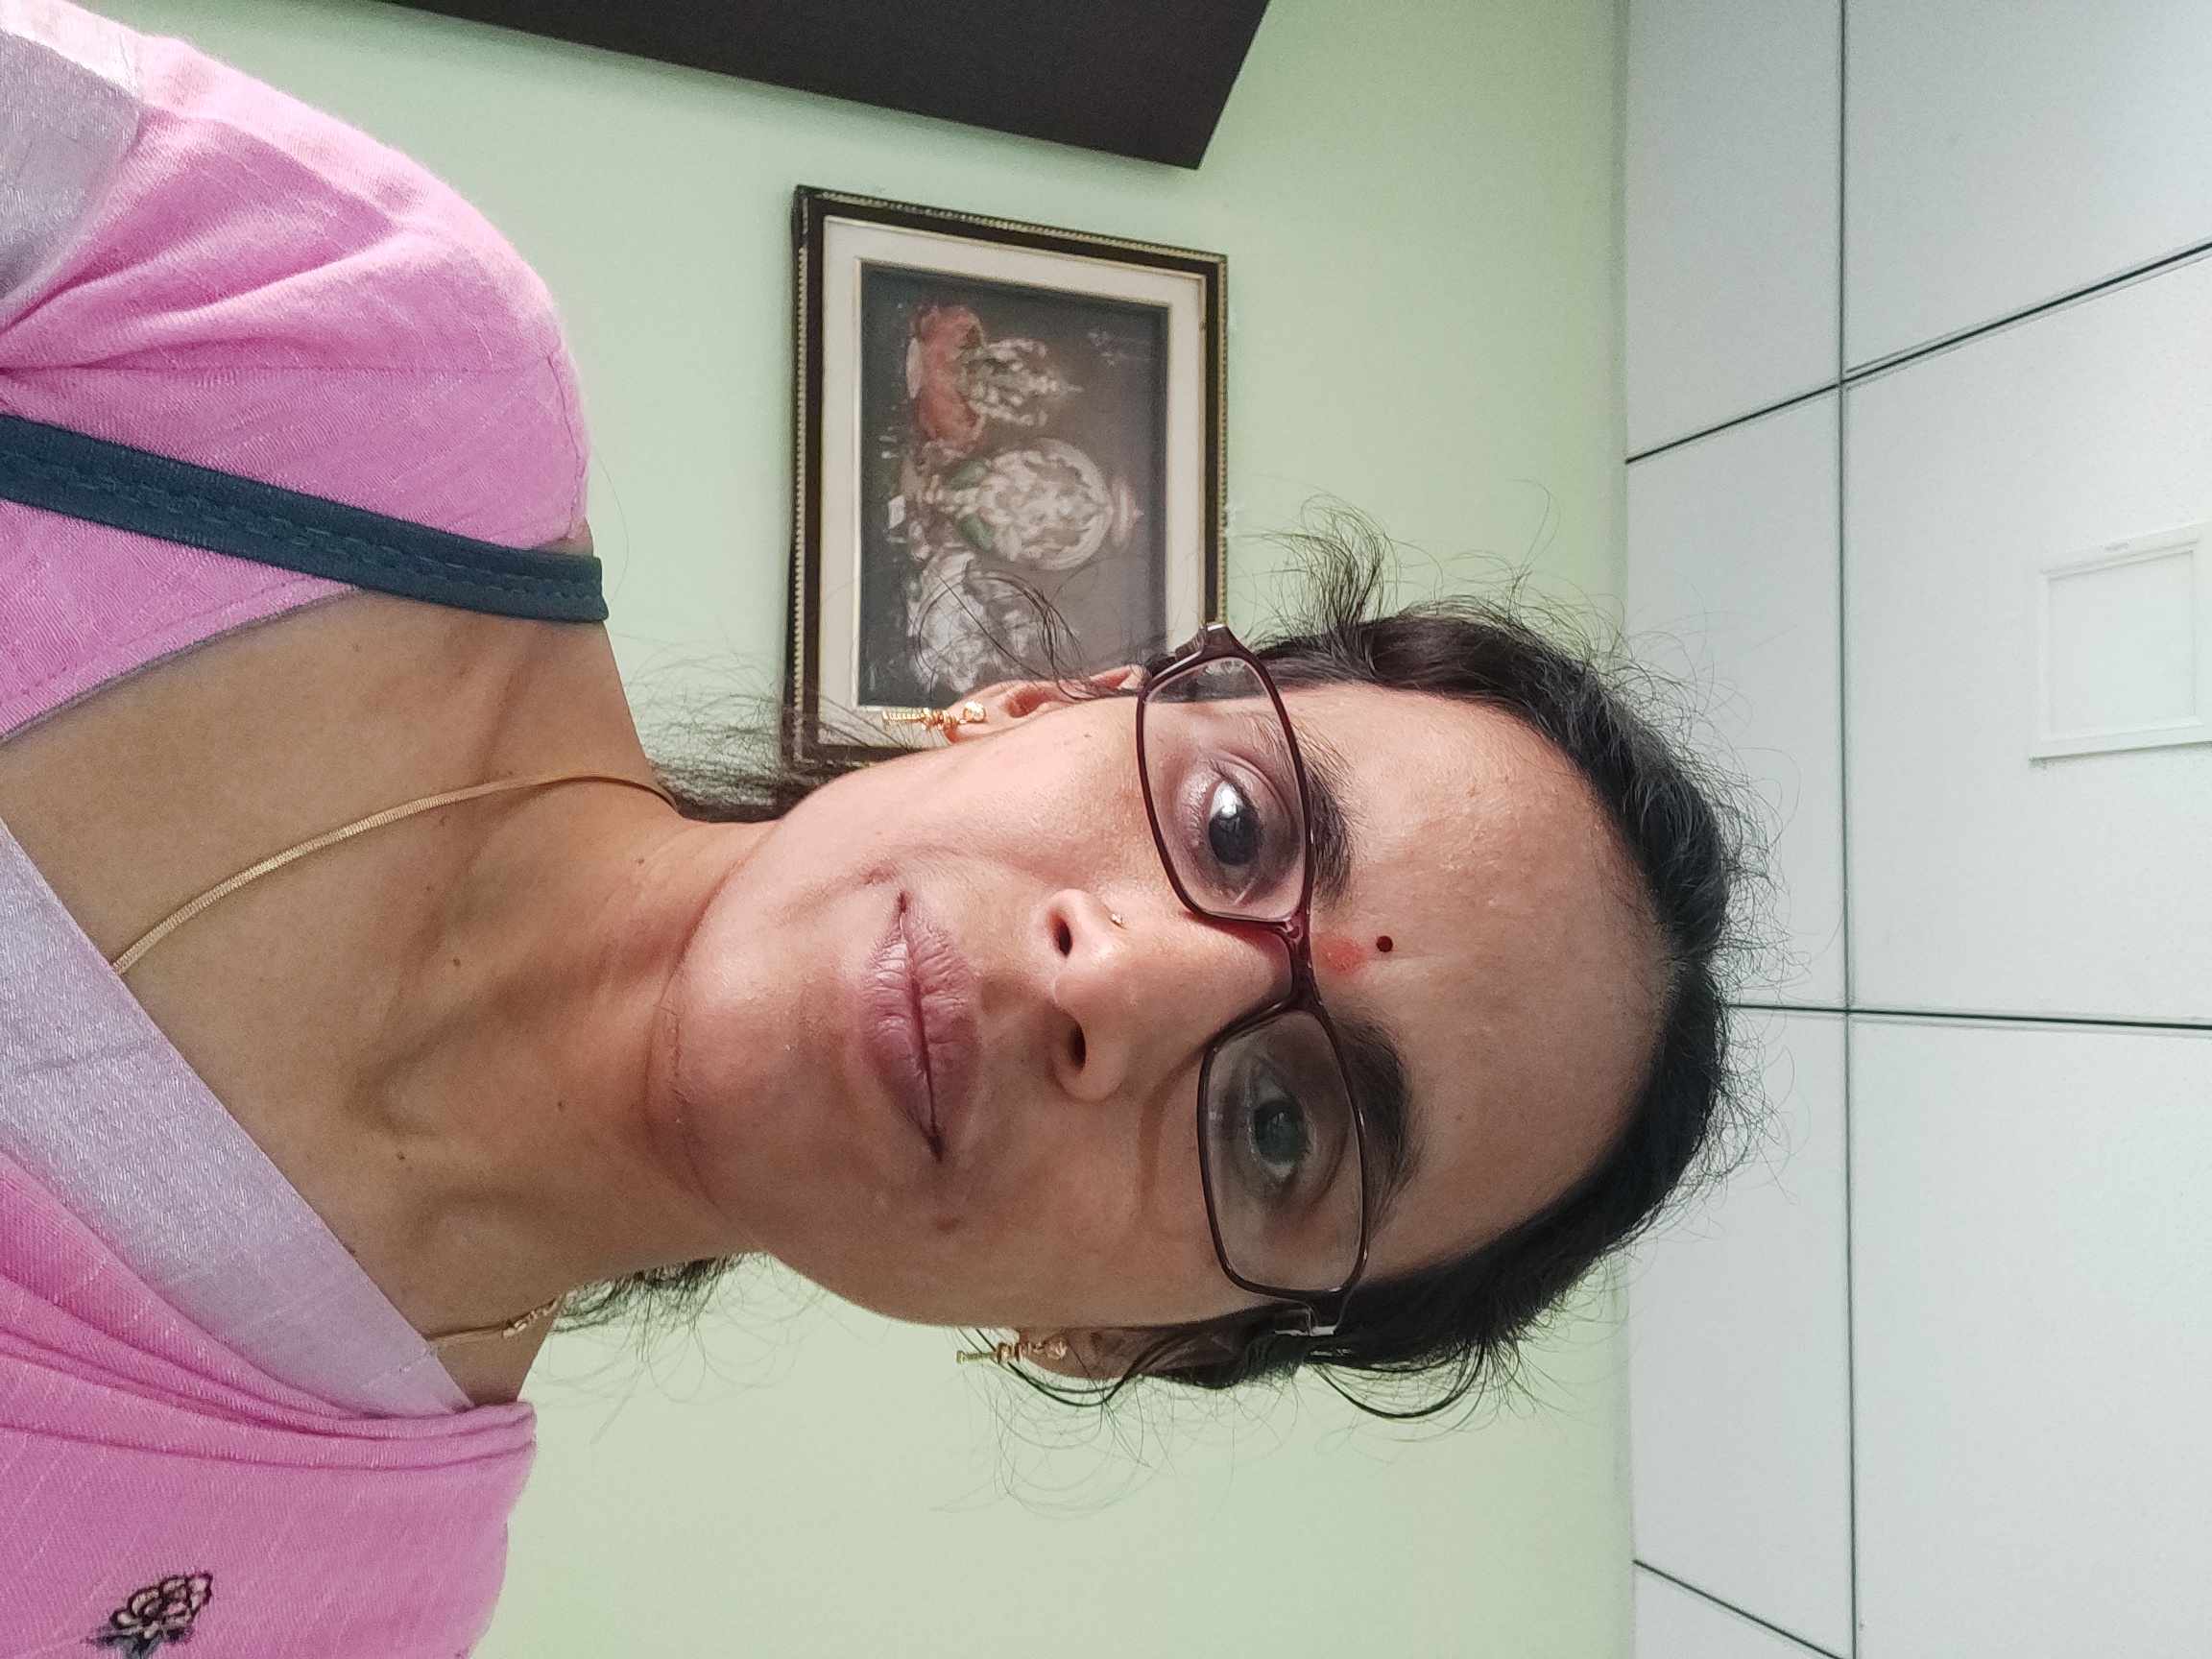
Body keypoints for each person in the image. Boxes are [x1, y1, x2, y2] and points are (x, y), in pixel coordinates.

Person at [0, 2, 1756, 1652]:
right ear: (1048, 697)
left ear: (1124, 1337)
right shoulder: (361, 357)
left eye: (1281, 1130)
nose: (1123, 984)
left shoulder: (321, 1598)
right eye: (1233, 827)